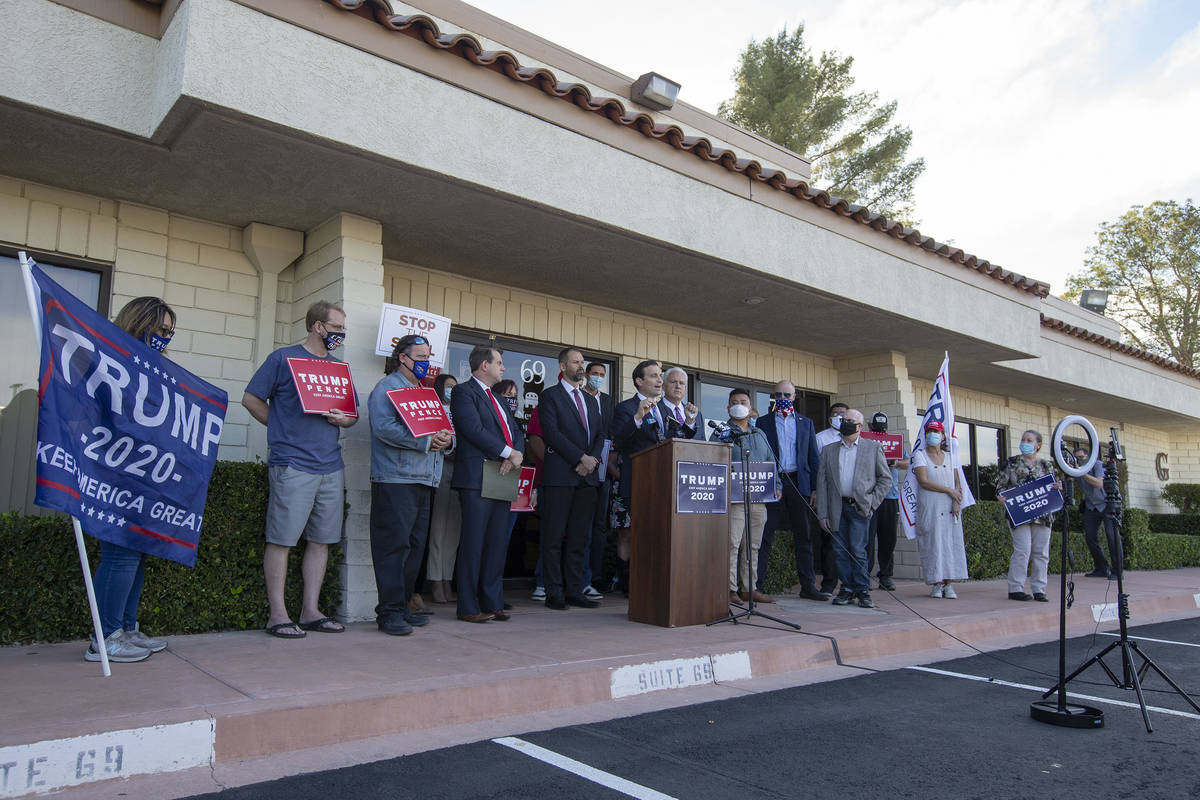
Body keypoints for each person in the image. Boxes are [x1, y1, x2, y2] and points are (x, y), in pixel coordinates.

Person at [243, 301, 357, 639]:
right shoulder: (283, 360)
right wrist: (280, 428)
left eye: (342, 328)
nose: (341, 334)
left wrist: (344, 419)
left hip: (330, 465)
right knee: (282, 540)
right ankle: (277, 614)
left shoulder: (339, 368)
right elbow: (251, 398)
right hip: (292, 463)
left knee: (321, 541)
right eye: (336, 327)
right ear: (317, 326)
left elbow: (352, 415)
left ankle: (310, 611)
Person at [85, 297, 178, 663]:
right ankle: (103, 637)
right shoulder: (110, 361)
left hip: (143, 473)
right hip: (115, 472)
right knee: (120, 553)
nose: (166, 337)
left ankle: (125, 627)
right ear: (141, 323)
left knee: (136, 553)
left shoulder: (156, 367)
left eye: (170, 332)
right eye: (161, 329)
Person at [367, 335, 454, 635]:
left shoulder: (426, 392)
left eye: (428, 357)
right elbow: (383, 428)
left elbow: (445, 428)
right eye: (419, 357)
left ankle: (403, 606)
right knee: (393, 547)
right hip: (395, 479)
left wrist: (446, 441)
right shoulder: (386, 388)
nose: (425, 363)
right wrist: (426, 441)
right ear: (402, 357)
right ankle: (388, 612)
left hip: (424, 479)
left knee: (414, 548)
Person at [450, 345, 524, 623]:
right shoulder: (463, 392)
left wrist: (515, 455)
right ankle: (468, 606)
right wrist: (507, 452)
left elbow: (516, 432)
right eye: (500, 363)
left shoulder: (499, 399)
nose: (503, 368)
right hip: (477, 475)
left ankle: (492, 601)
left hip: (502, 474)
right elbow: (472, 429)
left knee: (496, 542)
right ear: (484, 366)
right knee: (474, 541)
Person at [537, 347, 608, 609]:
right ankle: (553, 592)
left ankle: (575, 590)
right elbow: (552, 434)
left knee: (580, 538)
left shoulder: (590, 399)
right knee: (554, 537)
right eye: (576, 362)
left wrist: (591, 460)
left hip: (587, 479)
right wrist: (581, 458)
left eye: (582, 362)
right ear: (562, 366)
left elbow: (601, 434)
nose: (581, 366)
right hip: (560, 476)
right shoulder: (550, 396)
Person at [753, 380, 827, 601]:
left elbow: (813, 457)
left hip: (799, 483)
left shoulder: (806, 423)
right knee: (765, 535)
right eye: (779, 394)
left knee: (804, 536)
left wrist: (814, 488)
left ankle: (808, 587)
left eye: (787, 394)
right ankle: (758, 586)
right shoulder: (763, 422)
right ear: (774, 397)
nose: (783, 398)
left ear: (794, 397)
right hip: (772, 483)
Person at [816, 409, 892, 608]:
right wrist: (822, 513)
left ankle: (862, 589)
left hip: (859, 507)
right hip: (836, 506)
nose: (845, 423)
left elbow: (885, 479)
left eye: (849, 420)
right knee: (840, 550)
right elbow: (822, 483)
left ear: (859, 425)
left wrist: (872, 503)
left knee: (858, 550)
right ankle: (847, 588)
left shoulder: (873, 448)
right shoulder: (829, 450)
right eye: (843, 420)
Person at [712, 388, 778, 605]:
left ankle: (749, 588)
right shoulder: (721, 432)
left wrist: (777, 484)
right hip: (734, 498)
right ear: (728, 407)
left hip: (759, 499)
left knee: (753, 546)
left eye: (743, 401)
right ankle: (729, 589)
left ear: (750, 408)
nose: (739, 404)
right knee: (732, 543)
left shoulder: (760, 434)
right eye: (734, 401)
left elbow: (771, 462)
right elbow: (712, 460)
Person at [610, 359, 665, 593]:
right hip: (631, 480)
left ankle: (647, 578)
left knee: (651, 532)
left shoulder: (663, 409)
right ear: (639, 381)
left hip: (659, 482)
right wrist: (638, 418)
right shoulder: (625, 408)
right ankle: (625, 581)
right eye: (653, 375)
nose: (660, 380)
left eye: (660, 375)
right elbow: (619, 440)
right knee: (627, 532)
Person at [996, 429, 1062, 602]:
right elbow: (1000, 485)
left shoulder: (1046, 465)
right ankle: (1015, 588)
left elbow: (1054, 485)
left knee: (1041, 552)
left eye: (1029, 440)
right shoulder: (1011, 463)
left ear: (1038, 445)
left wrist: (1058, 487)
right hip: (1019, 514)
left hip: (1043, 515)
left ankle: (1039, 589)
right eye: (1023, 439)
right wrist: (1001, 496)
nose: (1025, 442)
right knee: (1022, 550)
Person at [910, 421, 968, 598]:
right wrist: (949, 490)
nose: (933, 435)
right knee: (933, 544)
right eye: (930, 432)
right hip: (931, 506)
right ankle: (936, 583)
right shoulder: (920, 455)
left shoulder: (951, 457)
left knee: (950, 544)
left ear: (943, 436)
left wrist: (956, 499)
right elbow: (924, 481)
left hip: (950, 506)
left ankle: (949, 584)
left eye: (936, 432)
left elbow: (957, 481)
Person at [426, 372, 459, 604]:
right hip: (438, 469)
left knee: (454, 532)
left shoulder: (459, 412)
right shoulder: (434, 408)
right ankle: (435, 580)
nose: (451, 391)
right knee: (438, 530)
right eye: (448, 386)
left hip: (459, 470)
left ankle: (447, 578)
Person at [866, 412, 909, 591]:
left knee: (888, 539)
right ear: (870, 427)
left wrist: (896, 463)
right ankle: (864, 576)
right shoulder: (866, 442)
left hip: (890, 497)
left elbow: (908, 462)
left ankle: (886, 576)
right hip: (869, 496)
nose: (879, 431)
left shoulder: (895, 443)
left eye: (882, 428)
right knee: (867, 539)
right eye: (876, 428)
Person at [811, 401, 850, 591]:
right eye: (836, 414)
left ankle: (852, 585)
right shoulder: (820, 438)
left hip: (851, 497)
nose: (840, 417)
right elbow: (817, 469)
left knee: (854, 543)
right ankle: (828, 584)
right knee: (829, 542)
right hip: (829, 496)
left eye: (843, 414)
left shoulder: (855, 438)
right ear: (829, 418)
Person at [581, 361, 612, 599]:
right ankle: (578, 577)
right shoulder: (578, 397)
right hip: (582, 468)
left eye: (602, 375)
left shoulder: (609, 402)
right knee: (582, 528)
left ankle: (595, 577)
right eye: (595, 374)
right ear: (587, 375)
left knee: (599, 528)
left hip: (605, 471)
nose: (598, 378)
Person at [1076, 447, 1117, 579]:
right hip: (1091, 505)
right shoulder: (1075, 469)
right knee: (1090, 537)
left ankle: (1117, 570)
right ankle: (1101, 568)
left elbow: (1099, 483)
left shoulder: (1097, 465)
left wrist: (1081, 472)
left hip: (1107, 503)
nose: (1079, 461)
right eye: (1077, 458)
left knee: (1112, 537)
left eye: (1081, 458)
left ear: (1088, 457)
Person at [659, 366, 704, 439]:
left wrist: (690, 422)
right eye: (673, 382)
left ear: (685, 389)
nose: (678, 386)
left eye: (682, 383)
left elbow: (702, 443)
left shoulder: (697, 415)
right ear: (663, 386)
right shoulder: (654, 411)